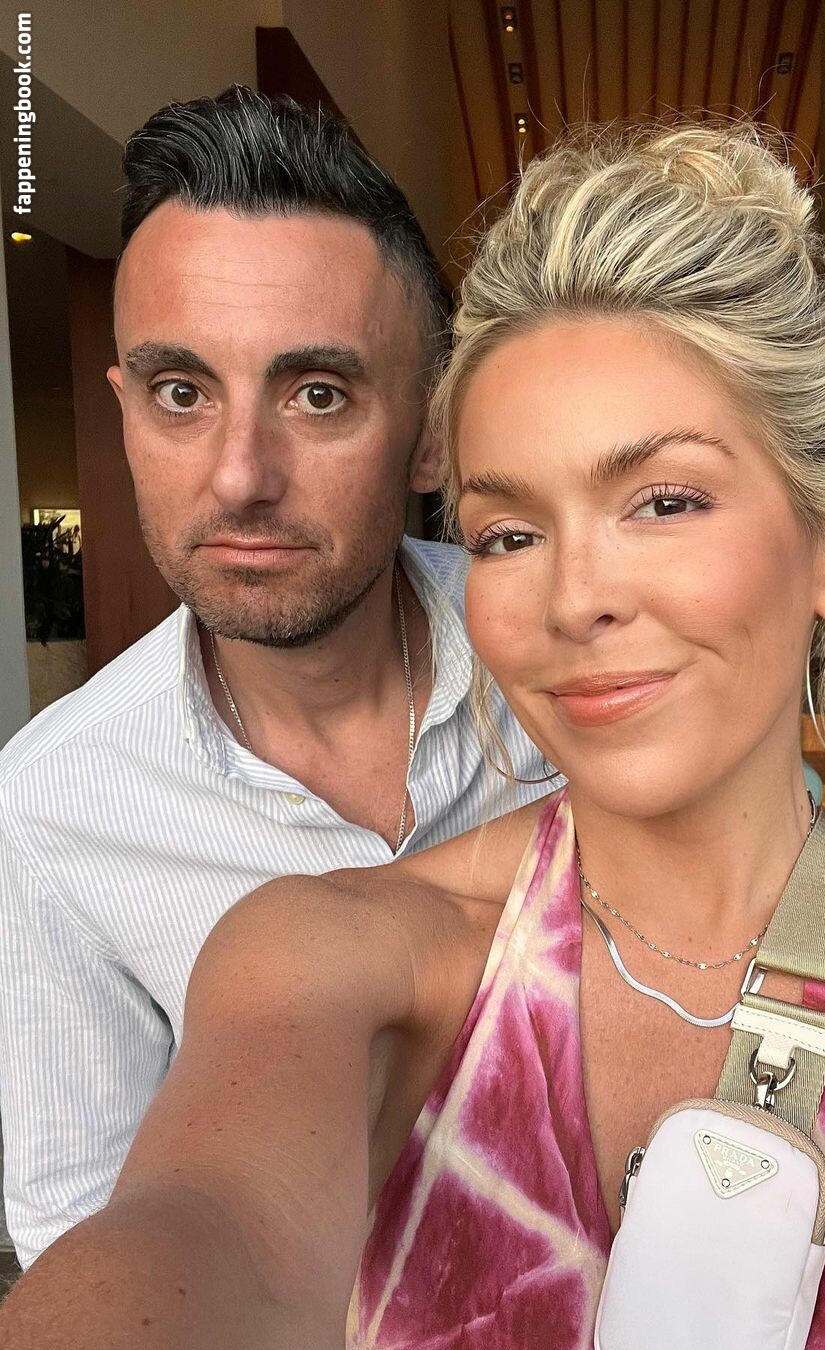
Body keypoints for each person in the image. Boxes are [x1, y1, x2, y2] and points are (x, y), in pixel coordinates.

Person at [4, 122, 825, 1350]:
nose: (573, 600)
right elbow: (194, 1225)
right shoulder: (316, 951)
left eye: (663, 501)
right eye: (509, 534)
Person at [0, 87, 555, 1269]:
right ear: (127, 411)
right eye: (181, 394)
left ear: (431, 433)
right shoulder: (54, 807)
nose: (240, 476)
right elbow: (84, 1230)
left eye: (317, 395)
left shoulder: (569, 654)